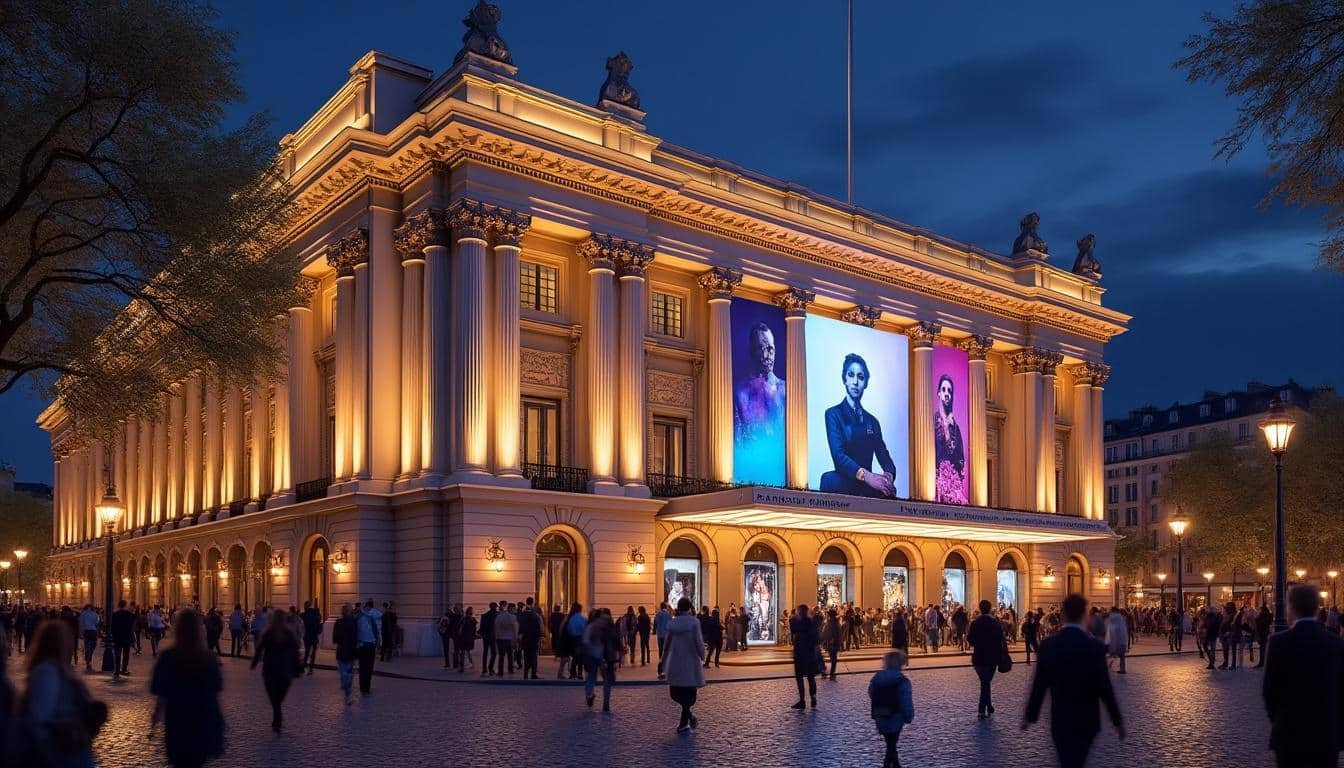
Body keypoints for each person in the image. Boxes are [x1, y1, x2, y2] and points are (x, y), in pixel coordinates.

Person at [1022, 594, 1125, 768]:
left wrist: (1030, 716)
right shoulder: (1094, 647)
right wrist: (1117, 721)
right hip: (1087, 720)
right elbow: (1104, 688)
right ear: (1084, 615)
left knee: (1067, 761)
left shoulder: (1049, 645)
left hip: (1061, 719)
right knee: (1078, 760)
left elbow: (1039, 685)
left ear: (1064, 615)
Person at [1263, 585, 1344, 768]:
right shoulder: (1336, 643)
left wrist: (1280, 719)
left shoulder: (1278, 642)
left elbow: (1270, 692)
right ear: (1317, 608)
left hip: (1289, 733)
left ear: (1290, 606)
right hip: (1326, 734)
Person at [20, 620, 104, 768]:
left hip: (70, 753)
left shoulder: (60, 670)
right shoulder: (47, 672)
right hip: (60, 754)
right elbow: (38, 718)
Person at [150, 610, 224, 767]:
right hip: (202, 720)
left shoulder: (168, 657)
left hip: (177, 722)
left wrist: (156, 715)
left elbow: (160, 690)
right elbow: (216, 690)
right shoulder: (209, 658)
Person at [819, 353, 897, 497]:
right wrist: (868, 476)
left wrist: (888, 476)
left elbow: (883, 455)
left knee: (889, 490)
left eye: (860, 377)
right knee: (829, 480)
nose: (855, 382)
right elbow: (839, 456)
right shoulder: (833, 414)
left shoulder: (872, 421)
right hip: (846, 481)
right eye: (851, 375)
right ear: (845, 379)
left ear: (865, 383)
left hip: (868, 486)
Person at [733, 320, 786, 483]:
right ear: (751, 352)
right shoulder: (739, 391)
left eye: (769, 349)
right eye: (760, 349)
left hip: (781, 476)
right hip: (749, 476)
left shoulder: (786, 390)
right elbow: (737, 440)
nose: (765, 355)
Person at [250, 608, 299, 732]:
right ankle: (277, 718)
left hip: (270, 670)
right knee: (278, 698)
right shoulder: (289, 633)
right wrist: (297, 668)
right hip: (285, 671)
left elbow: (259, 649)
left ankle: (277, 717)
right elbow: (295, 653)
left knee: (274, 698)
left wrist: (254, 663)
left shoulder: (268, 633)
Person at [663, 597, 706, 733]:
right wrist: (702, 655)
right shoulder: (694, 622)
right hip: (690, 662)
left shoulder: (673, 623)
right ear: (689, 608)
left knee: (675, 693)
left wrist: (662, 659)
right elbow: (698, 641)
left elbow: (667, 643)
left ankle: (684, 723)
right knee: (690, 695)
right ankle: (689, 717)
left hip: (676, 661)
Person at [869, 650, 915, 768]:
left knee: (890, 743)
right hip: (896, 716)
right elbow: (905, 701)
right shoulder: (902, 681)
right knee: (891, 744)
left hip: (880, 714)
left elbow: (871, 693)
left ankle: (894, 763)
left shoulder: (877, 678)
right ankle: (889, 764)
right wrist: (909, 716)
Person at [967, 600, 1004, 718]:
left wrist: (979, 643)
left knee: (985, 682)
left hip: (978, 658)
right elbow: (1000, 640)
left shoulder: (975, 623)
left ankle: (988, 706)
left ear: (980, 608)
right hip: (992, 658)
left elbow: (970, 640)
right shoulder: (995, 623)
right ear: (989, 609)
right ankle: (982, 708)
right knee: (986, 682)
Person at [932, 372, 966, 504]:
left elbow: (960, 458)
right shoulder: (932, 422)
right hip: (935, 485)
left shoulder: (955, 428)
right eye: (943, 389)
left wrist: (955, 478)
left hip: (953, 486)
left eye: (950, 391)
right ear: (938, 393)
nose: (947, 393)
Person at [580, 608, 619, 712]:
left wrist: (589, 649)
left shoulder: (592, 626)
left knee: (591, 677)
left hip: (593, 655)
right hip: (606, 656)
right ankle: (606, 704)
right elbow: (615, 641)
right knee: (607, 680)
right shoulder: (609, 624)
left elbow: (585, 640)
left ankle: (589, 694)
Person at [789, 604, 821, 709]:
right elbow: (816, 639)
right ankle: (813, 698)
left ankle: (802, 700)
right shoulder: (811, 623)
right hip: (809, 654)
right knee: (810, 678)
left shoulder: (797, 623)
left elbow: (792, 628)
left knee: (800, 678)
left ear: (799, 612)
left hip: (800, 655)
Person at [331, 604, 358, 704]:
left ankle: (345, 685)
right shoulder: (354, 622)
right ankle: (347, 692)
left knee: (343, 671)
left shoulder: (338, 622)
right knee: (349, 671)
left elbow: (335, 638)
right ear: (350, 611)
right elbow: (356, 637)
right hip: (351, 650)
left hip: (341, 649)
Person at [355, 600, 380, 694]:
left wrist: (377, 643)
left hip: (370, 644)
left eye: (369, 607)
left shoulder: (371, 618)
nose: (368, 609)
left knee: (369, 667)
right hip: (362, 644)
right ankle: (363, 687)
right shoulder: (358, 617)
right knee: (363, 667)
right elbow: (355, 631)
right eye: (367, 607)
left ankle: (367, 687)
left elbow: (376, 631)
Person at [109, 600, 136, 678]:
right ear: (125, 605)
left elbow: (112, 627)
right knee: (126, 654)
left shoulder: (115, 614)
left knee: (117, 654)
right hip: (126, 637)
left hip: (117, 637)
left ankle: (117, 670)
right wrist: (132, 638)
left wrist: (113, 636)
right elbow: (132, 628)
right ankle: (124, 669)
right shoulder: (130, 615)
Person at [518, 600, 543, 680]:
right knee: (533, 657)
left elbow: (519, 627)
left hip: (525, 638)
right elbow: (539, 627)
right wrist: (540, 635)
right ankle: (533, 673)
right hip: (533, 638)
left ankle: (525, 674)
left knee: (526, 656)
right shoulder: (535, 616)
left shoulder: (522, 616)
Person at [492, 602, 518, 676]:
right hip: (509, 638)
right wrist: (515, 640)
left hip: (500, 638)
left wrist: (496, 637)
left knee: (501, 656)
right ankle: (510, 669)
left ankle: (500, 672)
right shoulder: (513, 617)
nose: (515, 610)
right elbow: (514, 629)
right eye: (514, 609)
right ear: (511, 608)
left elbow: (495, 627)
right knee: (510, 655)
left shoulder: (499, 617)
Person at [1105, 606, 1129, 674]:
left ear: (1113, 611)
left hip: (1115, 641)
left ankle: (1107, 667)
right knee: (1121, 656)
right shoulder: (1121, 618)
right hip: (1122, 640)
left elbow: (1110, 629)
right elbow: (1124, 629)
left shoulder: (1112, 618)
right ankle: (1122, 669)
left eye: (1110, 610)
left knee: (1111, 654)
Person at [300, 601, 322, 674]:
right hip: (314, 637)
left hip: (307, 636)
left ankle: (303, 667)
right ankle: (311, 668)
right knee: (313, 653)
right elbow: (319, 629)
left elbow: (301, 625)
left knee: (307, 652)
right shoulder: (316, 617)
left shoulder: (303, 615)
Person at [821, 608, 843, 680]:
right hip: (835, 643)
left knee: (832, 659)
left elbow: (825, 633)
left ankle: (829, 673)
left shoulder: (829, 622)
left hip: (831, 643)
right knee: (834, 659)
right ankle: (831, 674)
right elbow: (839, 634)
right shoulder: (836, 622)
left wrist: (824, 641)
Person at [78, 604, 99, 672]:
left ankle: (88, 659)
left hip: (86, 631)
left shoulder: (83, 614)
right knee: (93, 646)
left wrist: (81, 633)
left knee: (87, 645)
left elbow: (81, 623)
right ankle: (89, 659)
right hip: (93, 631)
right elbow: (97, 622)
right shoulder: (95, 614)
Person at [455, 607, 477, 672]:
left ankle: (462, 667)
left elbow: (460, 630)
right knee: (469, 651)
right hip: (470, 638)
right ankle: (472, 664)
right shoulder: (473, 619)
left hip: (463, 638)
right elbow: (474, 629)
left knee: (462, 652)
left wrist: (459, 635)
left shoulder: (463, 619)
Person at [654, 602, 671, 679]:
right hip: (666, 635)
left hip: (660, 634)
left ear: (661, 607)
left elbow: (656, 623)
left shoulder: (658, 614)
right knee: (666, 651)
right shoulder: (668, 614)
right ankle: (664, 667)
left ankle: (661, 665)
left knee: (661, 651)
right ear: (666, 607)